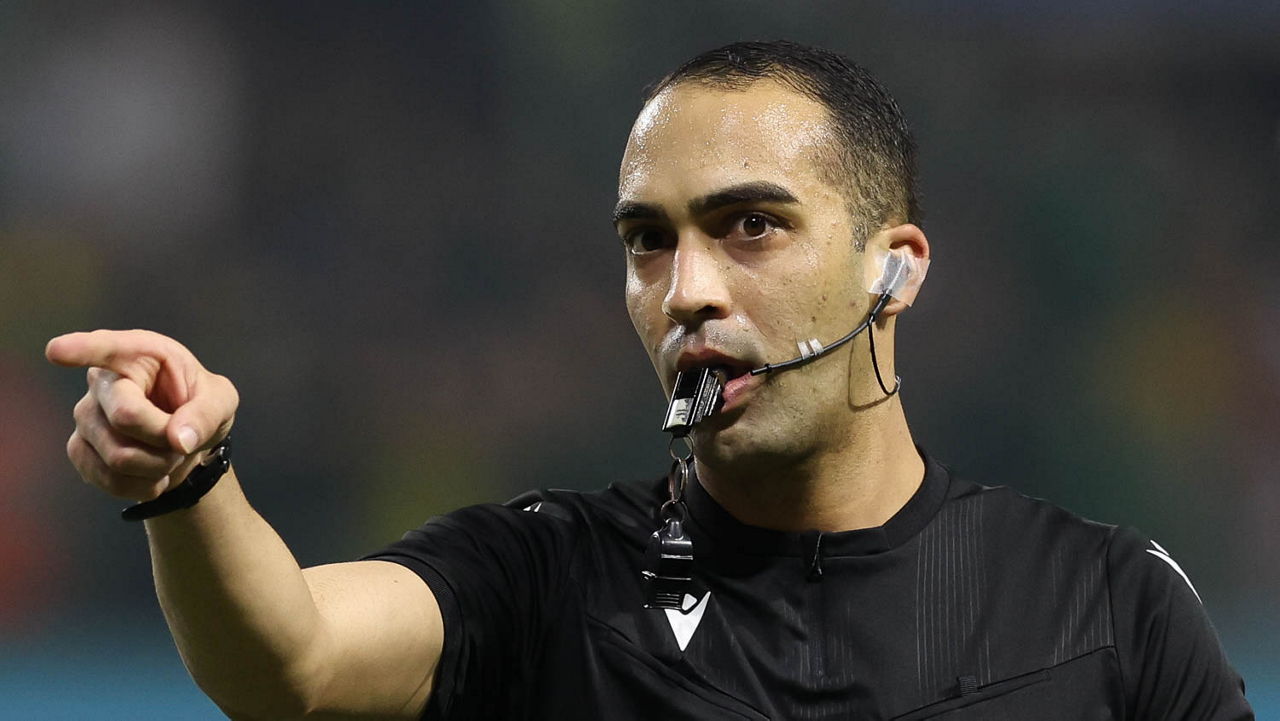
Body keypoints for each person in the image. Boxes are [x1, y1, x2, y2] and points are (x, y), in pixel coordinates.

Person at [46, 40, 1252, 720]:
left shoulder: (1106, 606)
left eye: (749, 227)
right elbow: (290, 661)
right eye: (647, 240)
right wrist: (188, 479)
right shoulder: (543, 583)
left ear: (892, 270)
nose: (684, 291)